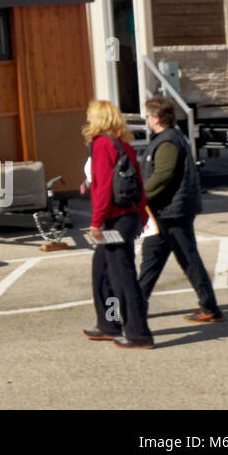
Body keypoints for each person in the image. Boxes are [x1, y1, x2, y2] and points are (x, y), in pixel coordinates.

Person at [137, 96, 223, 323]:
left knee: (188, 258)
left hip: (173, 212)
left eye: (147, 116)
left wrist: (140, 196)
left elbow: (163, 175)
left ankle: (210, 307)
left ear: (155, 118)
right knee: (151, 259)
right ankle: (136, 306)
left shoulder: (167, 141)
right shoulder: (166, 138)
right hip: (164, 213)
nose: (146, 120)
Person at [82, 99, 154, 349]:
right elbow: (139, 181)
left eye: (91, 116)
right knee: (103, 272)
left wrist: (96, 221)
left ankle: (138, 332)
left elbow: (103, 188)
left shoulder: (102, 144)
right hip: (129, 216)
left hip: (115, 218)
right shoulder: (124, 144)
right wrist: (141, 214)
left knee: (122, 276)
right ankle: (109, 323)